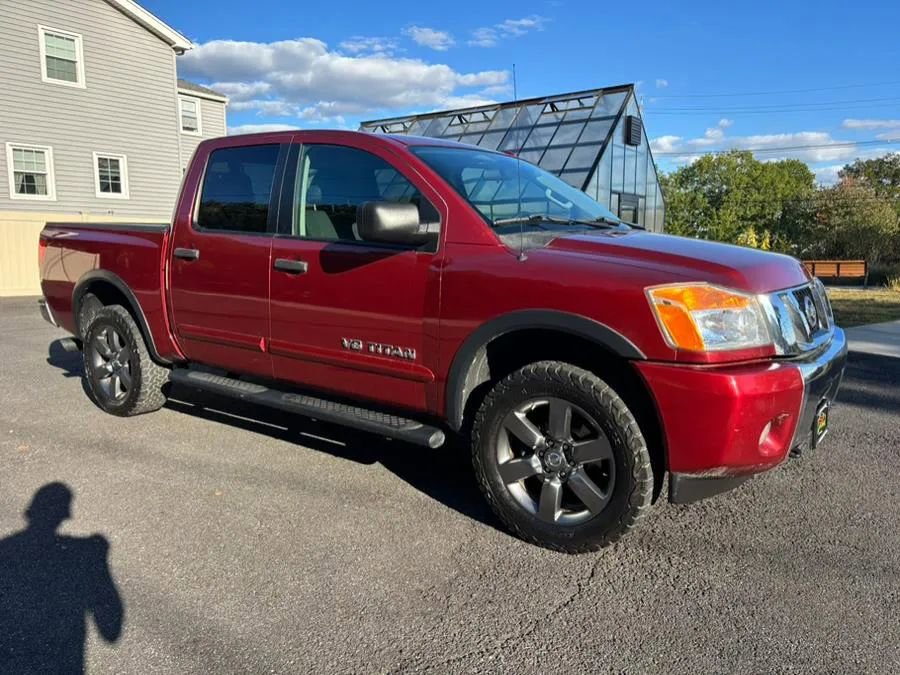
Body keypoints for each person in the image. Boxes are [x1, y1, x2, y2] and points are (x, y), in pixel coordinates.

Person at [0, 482, 124, 672]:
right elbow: (111, 631)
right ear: (64, 515)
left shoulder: (5, 550)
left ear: (30, 512)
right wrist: (99, 562)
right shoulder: (82, 554)